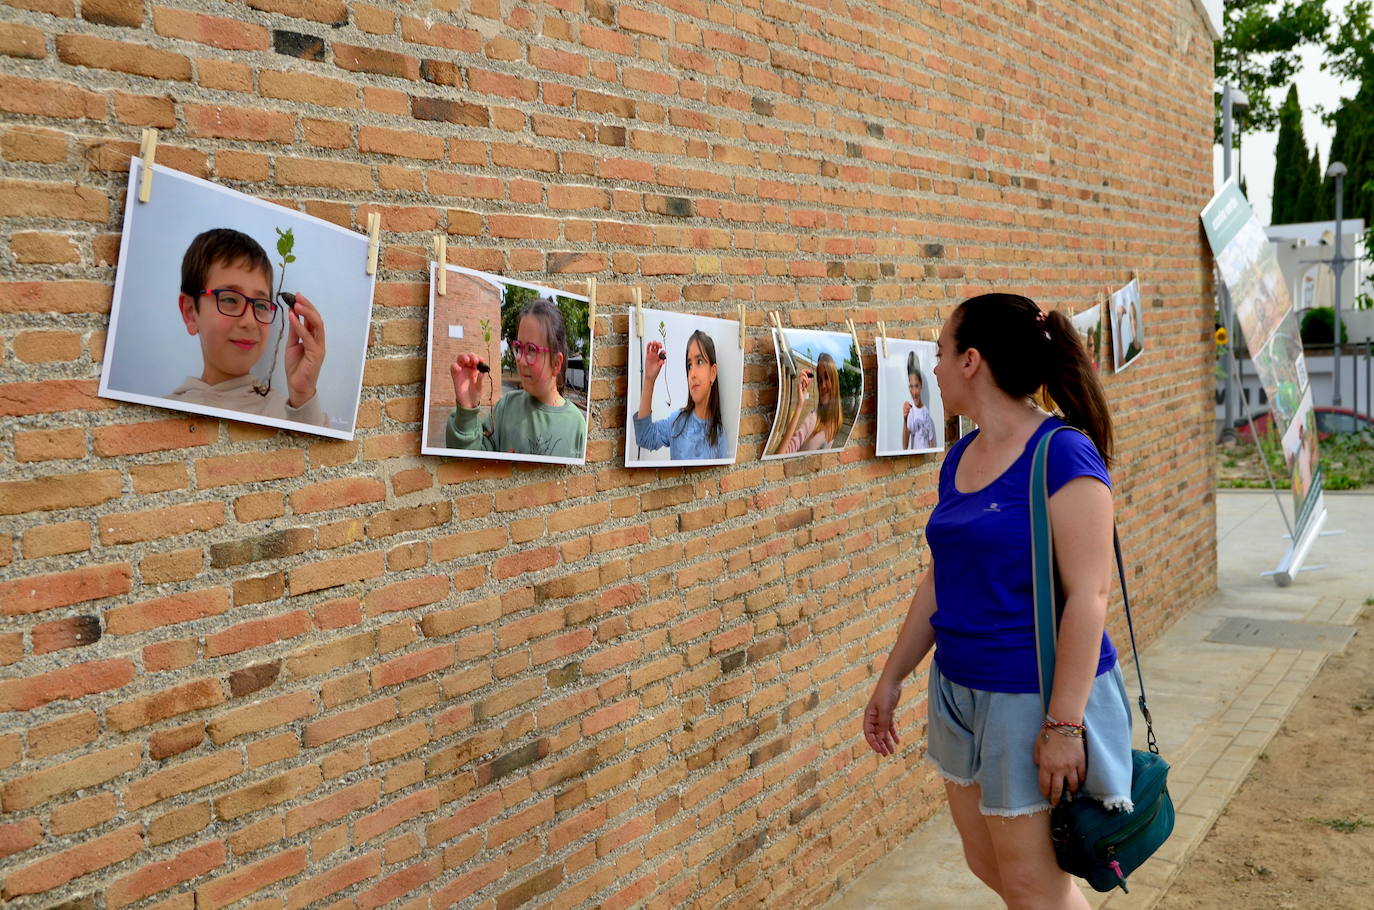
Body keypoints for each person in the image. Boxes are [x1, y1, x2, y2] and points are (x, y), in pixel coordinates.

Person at [863, 293, 1133, 909]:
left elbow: (1090, 598)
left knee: (1034, 889)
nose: (931, 368)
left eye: (939, 353)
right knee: (988, 863)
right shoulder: (959, 456)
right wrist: (892, 678)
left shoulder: (1062, 454)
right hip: (956, 689)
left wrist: (1063, 725)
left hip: (1029, 697)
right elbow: (939, 581)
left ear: (971, 362)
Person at [169, 228, 328, 426]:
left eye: (261, 305)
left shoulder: (291, 413)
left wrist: (303, 396)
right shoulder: (164, 413)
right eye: (229, 299)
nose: (250, 321)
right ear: (191, 313)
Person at [446, 297, 587, 458]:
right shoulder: (506, 408)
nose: (520, 359)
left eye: (532, 350)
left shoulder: (576, 425)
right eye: (519, 347)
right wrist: (467, 413)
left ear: (556, 363)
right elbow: (470, 466)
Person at [633, 329, 729, 461]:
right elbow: (644, 437)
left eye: (699, 362)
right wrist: (649, 379)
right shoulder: (677, 421)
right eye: (689, 365)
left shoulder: (719, 435)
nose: (692, 374)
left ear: (712, 373)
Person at [781, 351, 842, 453]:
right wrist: (800, 405)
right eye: (820, 381)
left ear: (835, 380)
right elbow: (781, 454)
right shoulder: (812, 420)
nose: (822, 386)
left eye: (826, 377)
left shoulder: (836, 422)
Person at [902, 351, 936, 450]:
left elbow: (931, 442)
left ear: (921, 384)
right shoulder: (910, 411)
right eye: (911, 387)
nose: (914, 392)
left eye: (916, 386)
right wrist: (905, 420)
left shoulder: (926, 412)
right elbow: (904, 446)